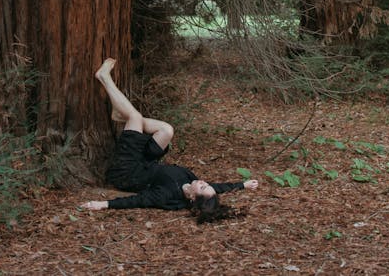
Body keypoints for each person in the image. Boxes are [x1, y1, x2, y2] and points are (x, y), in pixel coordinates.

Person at [79, 58, 259, 223]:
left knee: (135, 117)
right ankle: (122, 115)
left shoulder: (167, 195)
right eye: (207, 185)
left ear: (192, 198)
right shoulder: (192, 181)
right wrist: (242, 185)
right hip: (146, 162)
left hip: (126, 170)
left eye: (203, 188)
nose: (205, 183)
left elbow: (139, 201)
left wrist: (104, 205)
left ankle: (104, 78)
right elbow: (219, 188)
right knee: (166, 130)